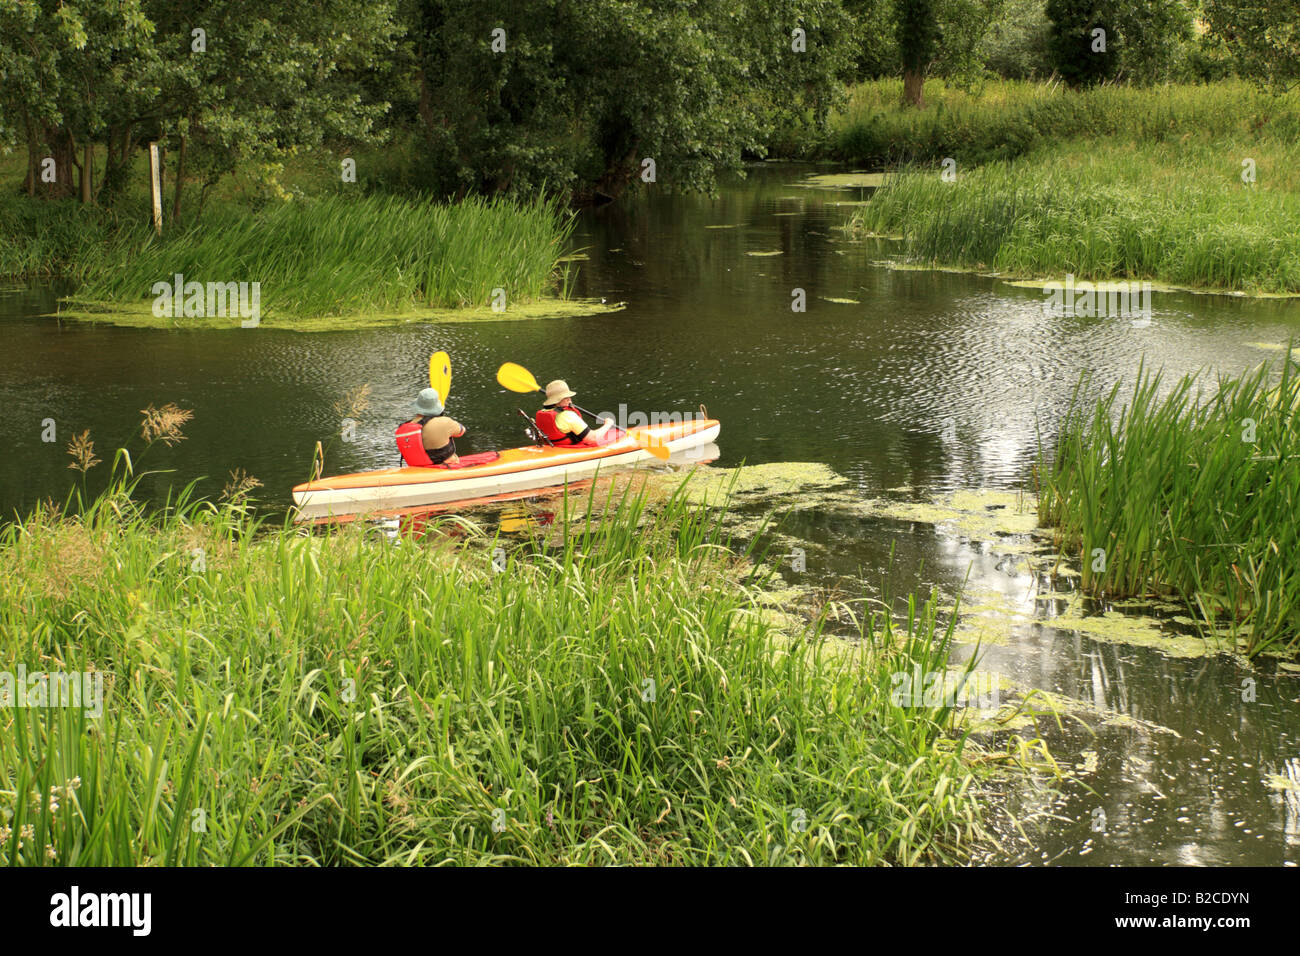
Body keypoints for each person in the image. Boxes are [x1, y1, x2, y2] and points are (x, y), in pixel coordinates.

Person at [395, 388, 465, 466]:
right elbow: (461, 431)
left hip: (416, 468)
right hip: (446, 466)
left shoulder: (403, 428)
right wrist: (444, 419)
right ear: (436, 407)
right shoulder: (444, 422)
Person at [535, 380, 614, 446]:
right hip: (570, 448)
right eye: (566, 398)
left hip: (554, 447)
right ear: (557, 400)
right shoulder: (568, 416)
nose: (570, 400)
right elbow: (592, 439)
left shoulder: (542, 413)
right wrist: (608, 424)